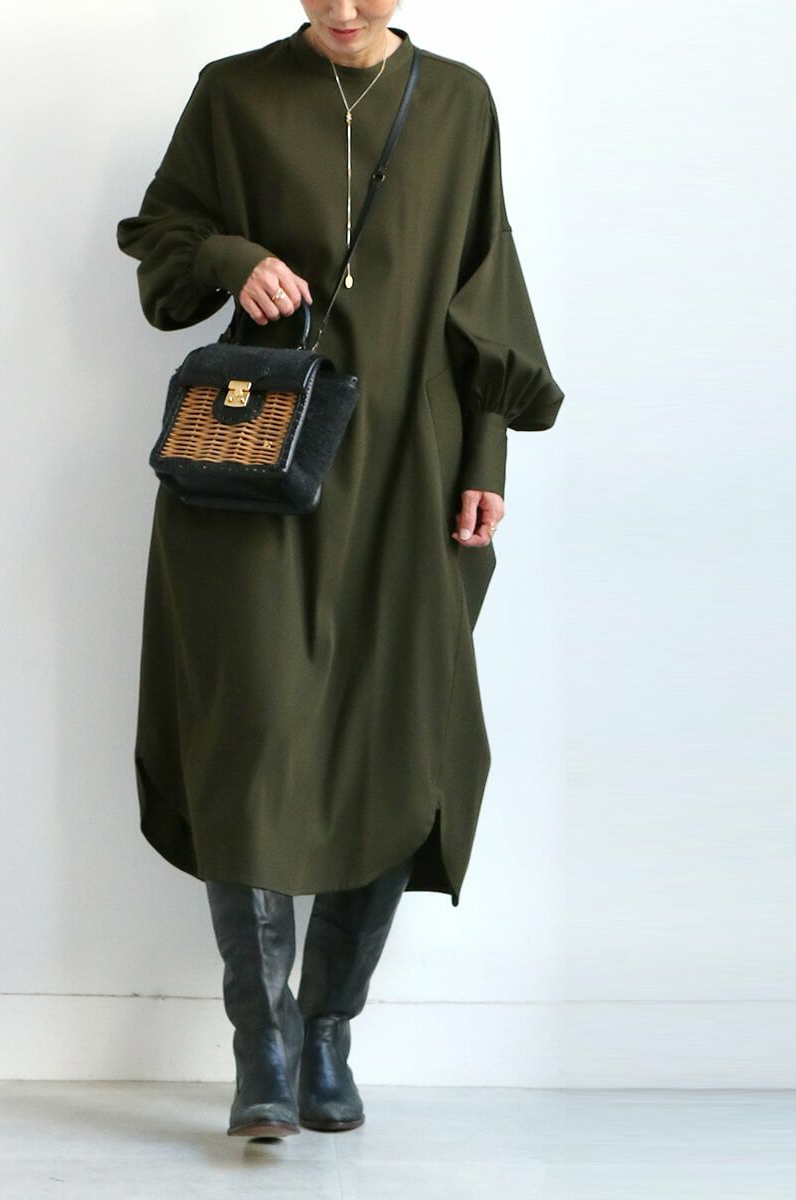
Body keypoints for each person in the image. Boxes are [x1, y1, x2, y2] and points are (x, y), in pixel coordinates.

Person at [115, 2, 565, 1139]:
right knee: (249, 739)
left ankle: (326, 1034)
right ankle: (260, 1044)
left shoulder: (457, 101)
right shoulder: (233, 91)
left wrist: (486, 455)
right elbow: (162, 237)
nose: (348, 8)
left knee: (395, 739)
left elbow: (485, 290)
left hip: (410, 472)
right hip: (258, 468)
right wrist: (233, 258)